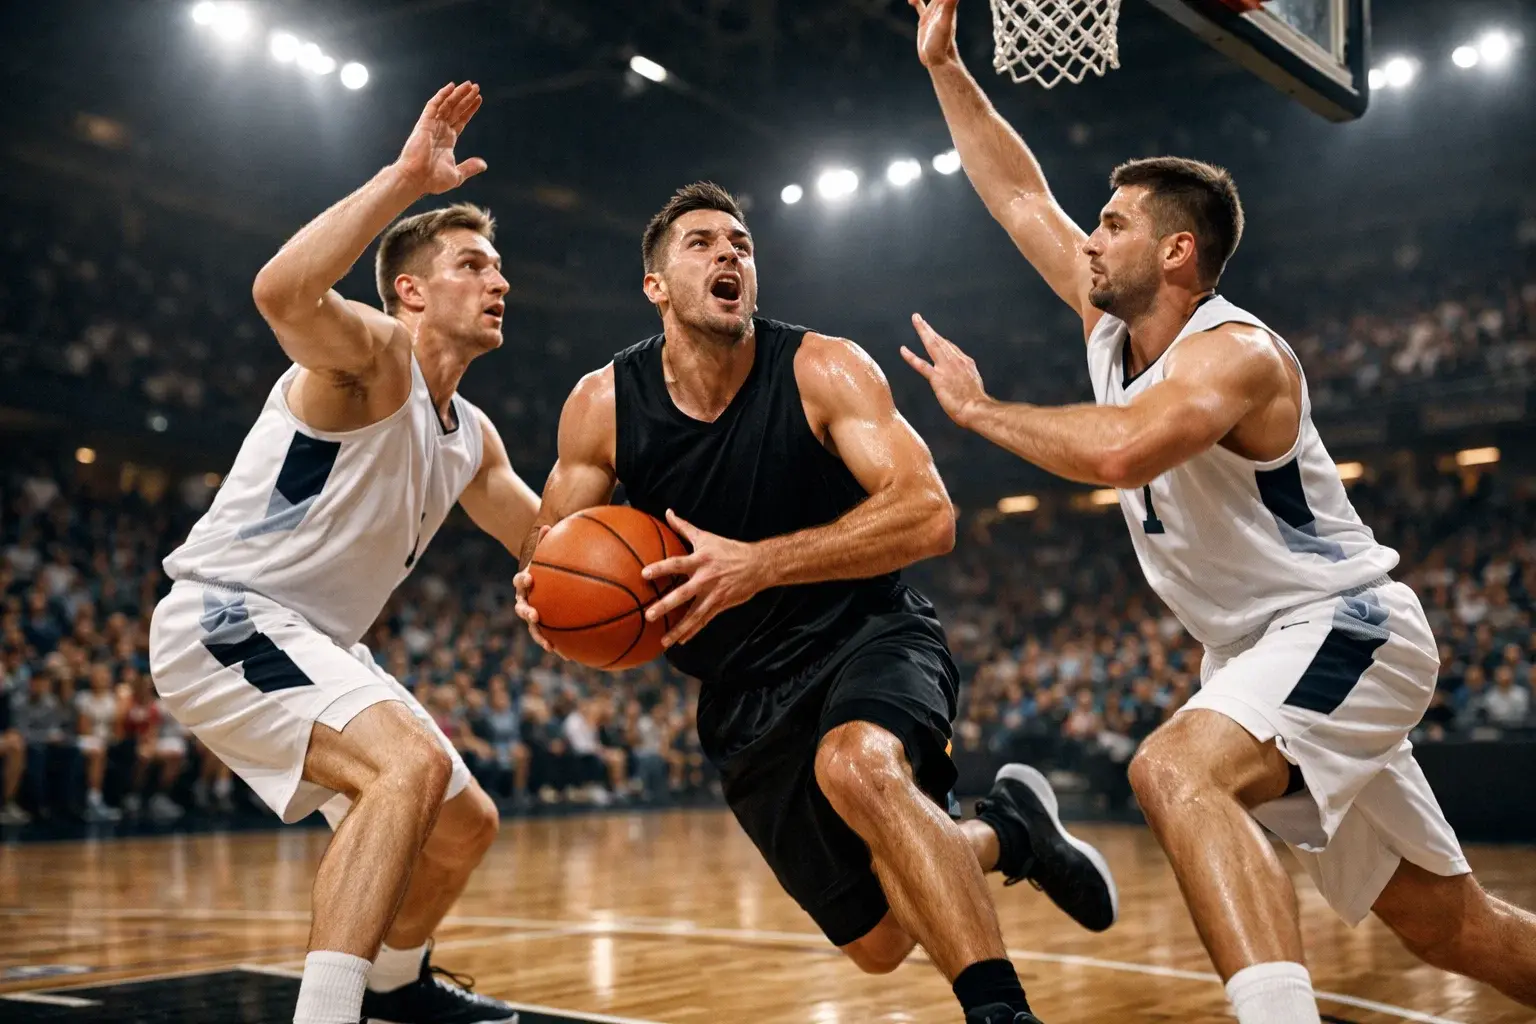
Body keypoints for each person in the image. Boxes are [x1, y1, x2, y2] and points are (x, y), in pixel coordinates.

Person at [902, 1, 1536, 1019]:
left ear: (1177, 253)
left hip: (1344, 627)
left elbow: (1119, 446)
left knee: (1175, 771)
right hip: (1263, 650)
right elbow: (1017, 193)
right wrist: (944, 66)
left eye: (1113, 224)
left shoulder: (1238, 351)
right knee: (1444, 926)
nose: (1089, 239)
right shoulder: (1113, 329)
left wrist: (977, 410)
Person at [514, 181, 1118, 1024]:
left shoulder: (822, 367)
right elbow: (553, 543)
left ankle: (1001, 1013)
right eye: (701, 243)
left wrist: (759, 565)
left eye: (741, 244)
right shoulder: (603, 404)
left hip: (865, 633)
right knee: (879, 945)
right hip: (742, 694)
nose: (730, 254)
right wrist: (539, 591)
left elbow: (930, 514)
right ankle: (1010, 834)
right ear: (655, 285)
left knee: (857, 765)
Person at [148, 82, 536, 1024]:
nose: (500, 283)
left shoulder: (472, 434)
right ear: (409, 290)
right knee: (407, 766)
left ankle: (398, 993)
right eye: (475, 266)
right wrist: (405, 181)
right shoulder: (373, 355)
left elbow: (552, 538)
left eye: (499, 270)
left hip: (315, 637)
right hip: (226, 616)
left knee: (462, 821)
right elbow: (280, 290)